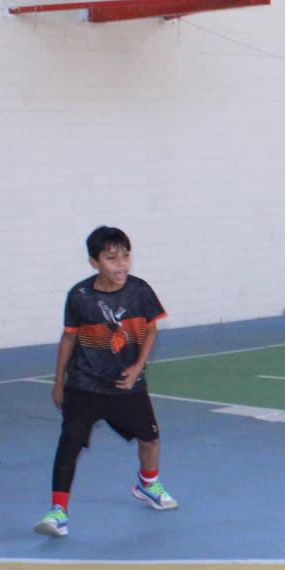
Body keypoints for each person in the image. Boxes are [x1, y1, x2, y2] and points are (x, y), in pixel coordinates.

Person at [35, 226, 174, 538]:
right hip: (83, 385)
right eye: (112, 258)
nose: (121, 264)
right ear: (94, 262)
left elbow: (150, 329)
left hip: (126, 385)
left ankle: (147, 483)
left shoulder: (140, 291)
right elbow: (68, 340)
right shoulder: (80, 296)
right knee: (69, 444)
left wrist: (138, 366)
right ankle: (58, 511)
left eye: (125, 256)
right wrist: (58, 383)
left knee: (150, 439)